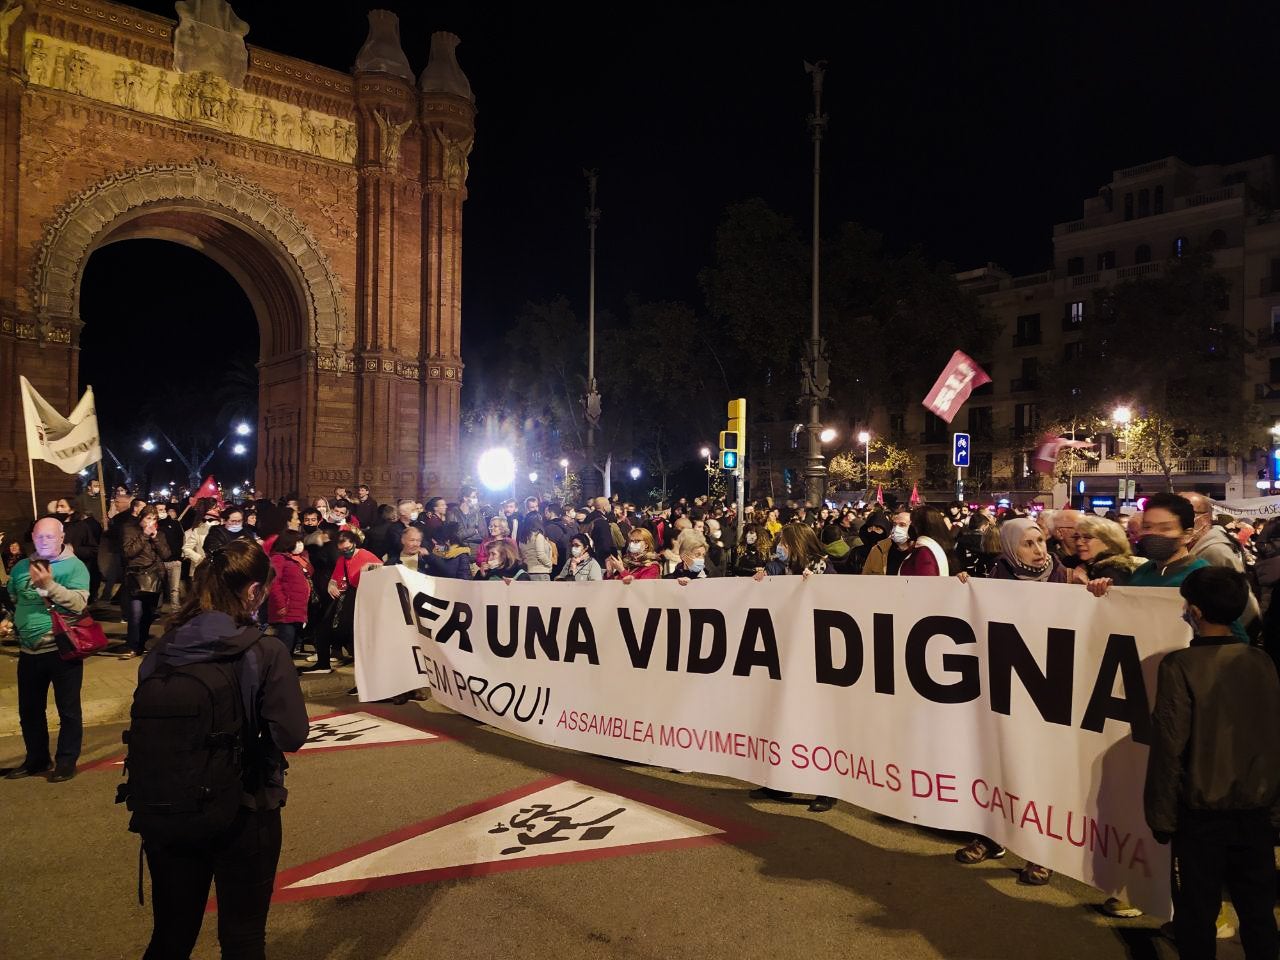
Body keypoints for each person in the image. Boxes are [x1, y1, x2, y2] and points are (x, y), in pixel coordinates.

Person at [127, 538, 307, 959]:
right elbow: (291, 735)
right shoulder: (265, 651)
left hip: (167, 806)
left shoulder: (163, 649)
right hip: (244, 809)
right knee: (243, 940)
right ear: (252, 592)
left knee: (171, 935)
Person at [1146, 567, 1280, 960]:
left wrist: (1161, 816)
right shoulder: (1262, 662)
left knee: (1196, 911)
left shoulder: (1180, 667)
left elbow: (1170, 747)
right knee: (1257, 910)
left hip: (1201, 813)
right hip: (1255, 809)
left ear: (1196, 611)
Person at [2, 517, 91, 782]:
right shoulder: (20, 568)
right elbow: (15, 600)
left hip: (63, 650)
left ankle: (66, 760)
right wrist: (9, 620)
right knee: (29, 711)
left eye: (49, 537)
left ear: (62, 537)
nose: (43, 542)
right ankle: (37, 759)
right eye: (39, 537)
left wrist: (48, 586)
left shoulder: (75, 567)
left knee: (68, 710)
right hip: (29, 652)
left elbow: (78, 604)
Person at [299, 529, 380, 678]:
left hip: (363, 598)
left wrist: (368, 569)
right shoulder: (342, 559)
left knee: (353, 635)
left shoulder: (366, 555)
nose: (346, 552)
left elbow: (382, 571)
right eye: (342, 550)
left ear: (354, 543)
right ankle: (323, 663)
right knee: (324, 627)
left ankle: (366, 676)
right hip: (348, 597)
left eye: (348, 549)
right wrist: (331, 585)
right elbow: (335, 578)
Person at [120, 508, 172, 660]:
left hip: (155, 578)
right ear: (141, 518)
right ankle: (132, 646)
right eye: (148, 518)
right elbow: (129, 552)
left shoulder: (160, 534)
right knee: (135, 613)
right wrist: (144, 535)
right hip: (136, 577)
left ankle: (141, 645)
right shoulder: (130, 531)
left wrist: (155, 538)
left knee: (149, 614)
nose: (151, 522)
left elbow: (167, 554)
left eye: (154, 518)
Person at [267, 530, 312, 658]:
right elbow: (274, 582)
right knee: (285, 645)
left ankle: (287, 672)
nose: (300, 544)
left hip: (297, 609)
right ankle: (280, 674)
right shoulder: (278, 558)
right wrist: (281, 604)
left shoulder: (296, 559)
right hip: (286, 610)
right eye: (297, 541)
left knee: (290, 645)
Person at [1071, 515, 1143, 586]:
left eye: (1087, 537)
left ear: (1109, 541)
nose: (1078, 543)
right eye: (1076, 537)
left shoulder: (1111, 570)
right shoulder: (1093, 565)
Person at [898, 506, 951, 576]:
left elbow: (926, 583)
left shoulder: (924, 552)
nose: (910, 528)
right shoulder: (933, 547)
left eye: (912, 524)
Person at [861, 508, 913, 575]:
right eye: (894, 525)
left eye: (902, 525)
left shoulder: (920, 551)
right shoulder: (878, 549)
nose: (897, 528)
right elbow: (865, 577)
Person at [155, 502, 185, 609]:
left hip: (174, 561)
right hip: (159, 562)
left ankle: (176, 610)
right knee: (158, 587)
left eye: (164, 509)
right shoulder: (153, 525)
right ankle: (156, 611)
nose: (163, 512)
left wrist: (179, 557)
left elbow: (181, 539)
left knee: (174, 589)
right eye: (159, 510)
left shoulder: (174, 524)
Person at [446, 487, 485, 553]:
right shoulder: (452, 514)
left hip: (476, 551)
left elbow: (483, 535)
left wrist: (463, 535)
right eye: (473, 497)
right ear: (465, 498)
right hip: (459, 551)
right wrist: (473, 530)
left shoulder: (477, 514)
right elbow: (453, 537)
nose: (476, 499)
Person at [517, 513, 554, 581]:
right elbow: (541, 555)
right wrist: (549, 564)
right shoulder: (538, 536)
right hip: (541, 572)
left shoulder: (522, 538)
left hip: (528, 571)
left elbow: (521, 556)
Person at [584, 497, 616, 568]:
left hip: (587, 554)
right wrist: (609, 558)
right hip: (599, 558)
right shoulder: (601, 521)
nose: (610, 506)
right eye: (608, 504)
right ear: (604, 507)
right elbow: (605, 542)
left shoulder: (589, 517)